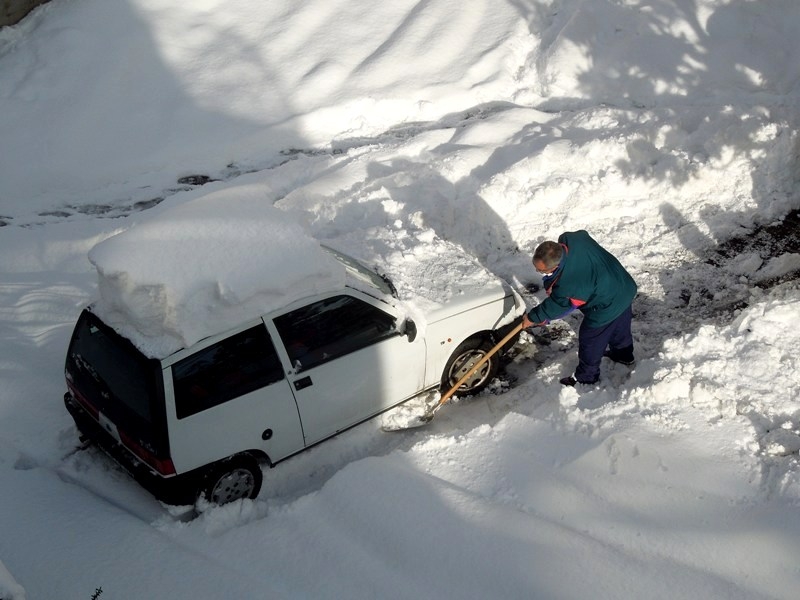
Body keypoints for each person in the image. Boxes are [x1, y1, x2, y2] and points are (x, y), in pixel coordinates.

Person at [521, 230, 637, 386]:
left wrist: (533, 317)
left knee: (590, 340)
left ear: (555, 266)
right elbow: (583, 235)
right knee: (619, 325)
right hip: (623, 286)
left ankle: (586, 377)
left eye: (541, 271)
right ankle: (624, 355)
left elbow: (557, 306)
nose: (539, 272)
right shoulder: (573, 239)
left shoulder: (570, 283)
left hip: (606, 303)